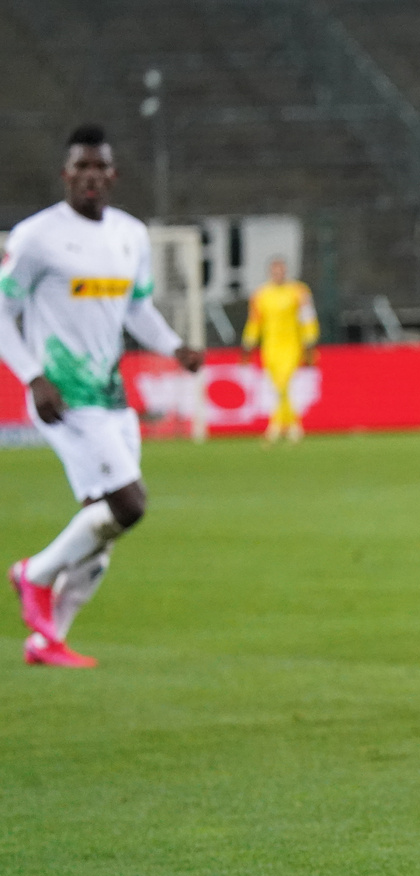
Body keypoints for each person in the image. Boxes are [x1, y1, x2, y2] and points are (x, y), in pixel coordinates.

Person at [1, 125, 204, 667]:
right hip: (63, 398)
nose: (90, 177)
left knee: (102, 525)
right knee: (128, 503)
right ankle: (35, 574)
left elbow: (136, 308)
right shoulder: (37, 237)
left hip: (112, 397)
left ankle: (49, 639)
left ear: (112, 176)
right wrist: (31, 376)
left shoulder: (131, 235)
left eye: (100, 168)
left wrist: (174, 346)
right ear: (66, 175)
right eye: (80, 168)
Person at [242, 255, 319, 442]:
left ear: (285, 271)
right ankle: (292, 424)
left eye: (281, 269)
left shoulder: (299, 291)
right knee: (278, 386)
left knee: (284, 382)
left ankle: (276, 426)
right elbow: (255, 322)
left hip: (292, 344)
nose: (279, 273)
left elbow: (307, 317)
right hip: (270, 346)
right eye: (275, 270)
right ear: (270, 272)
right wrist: (248, 342)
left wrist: (310, 338)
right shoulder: (261, 295)